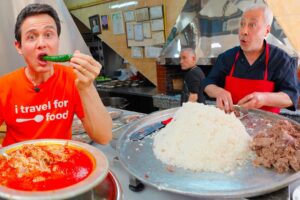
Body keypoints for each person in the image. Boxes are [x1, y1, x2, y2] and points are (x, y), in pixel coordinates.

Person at [0, 3, 112, 146]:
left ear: (57, 40)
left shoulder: (74, 78)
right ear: (19, 47)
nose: (41, 43)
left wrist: (87, 87)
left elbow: (104, 137)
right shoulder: (4, 85)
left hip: (61, 160)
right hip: (19, 163)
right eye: (31, 37)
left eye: (48, 34)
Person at [203, 4, 298, 113]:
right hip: (230, 123)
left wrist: (264, 98)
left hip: (266, 126)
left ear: (266, 31)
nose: (244, 31)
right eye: (242, 24)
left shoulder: (281, 59)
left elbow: (291, 96)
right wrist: (218, 92)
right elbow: (208, 84)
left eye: (252, 25)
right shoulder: (227, 57)